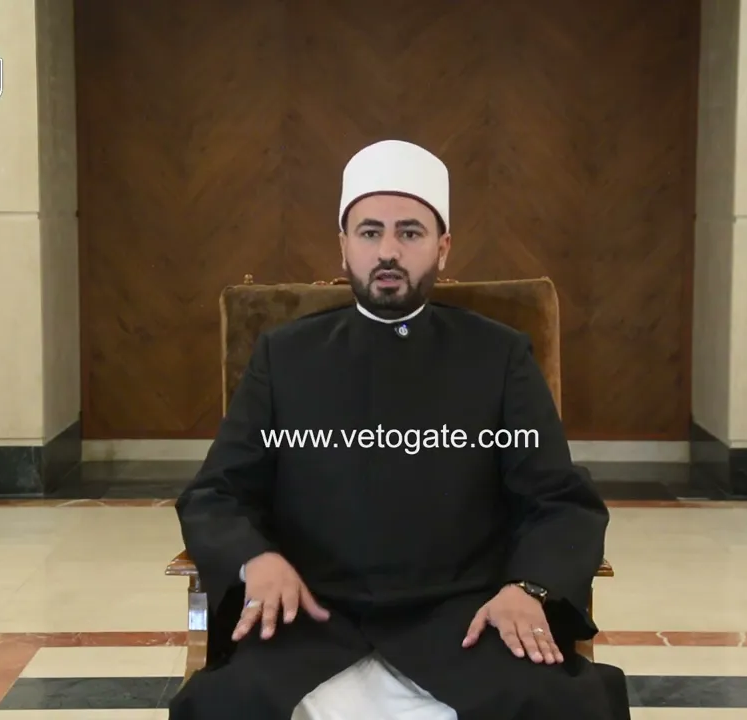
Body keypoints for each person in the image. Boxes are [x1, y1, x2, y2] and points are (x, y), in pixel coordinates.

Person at [168, 139, 628, 719]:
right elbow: (216, 493)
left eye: (410, 232)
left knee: (559, 704)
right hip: (313, 614)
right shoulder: (284, 357)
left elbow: (559, 499)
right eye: (369, 232)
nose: (388, 251)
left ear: (443, 247)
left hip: (463, 618)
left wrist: (529, 588)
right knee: (224, 704)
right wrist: (255, 560)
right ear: (343, 246)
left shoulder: (498, 356)